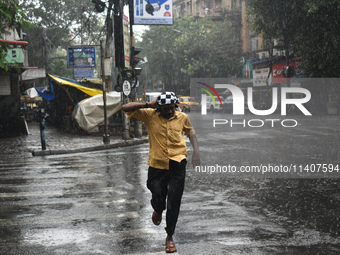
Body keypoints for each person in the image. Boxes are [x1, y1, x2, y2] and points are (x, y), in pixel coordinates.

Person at [122, 91, 200, 253]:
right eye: (166, 108)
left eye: (172, 108)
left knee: (174, 200)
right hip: (157, 165)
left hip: (178, 164)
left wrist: (196, 152)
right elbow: (125, 108)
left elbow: (191, 134)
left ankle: (170, 236)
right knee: (156, 191)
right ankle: (158, 208)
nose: (170, 111)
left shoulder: (182, 117)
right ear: (159, 108)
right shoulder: (150, 115)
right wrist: (148, 105)